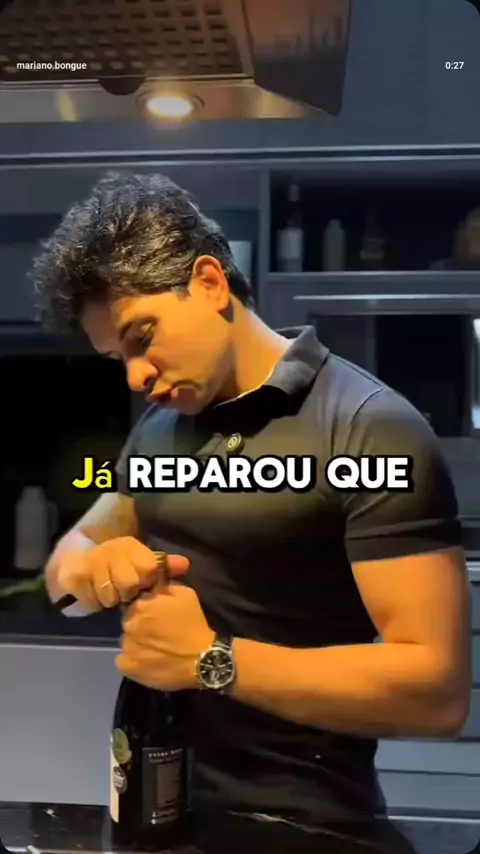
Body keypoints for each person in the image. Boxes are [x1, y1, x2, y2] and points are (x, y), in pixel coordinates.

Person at [33, 172, 471, 854]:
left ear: (210, 283)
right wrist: (94, 566)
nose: (135, 376)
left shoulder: (368, 426)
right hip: (156, 804)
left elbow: (437, 693)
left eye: (142, 337)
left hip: (306, 827)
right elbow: (70, 562)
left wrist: (211, 660)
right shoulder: (158, 428)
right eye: (118, 358)